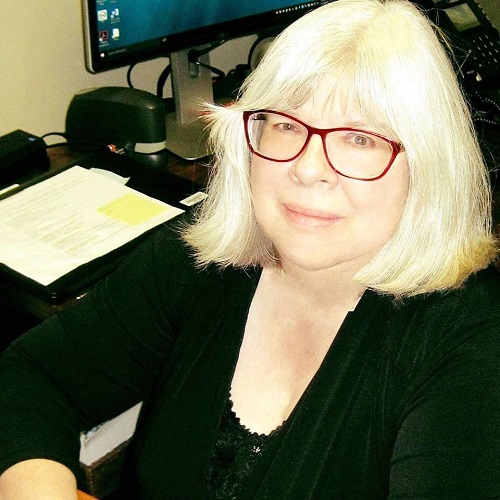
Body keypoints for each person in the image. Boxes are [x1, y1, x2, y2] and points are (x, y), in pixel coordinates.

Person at [1, 0, 500, 497]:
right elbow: (29, 377)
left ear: (428, 165)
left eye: (359, 138)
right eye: (285, 125)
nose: (307, 168)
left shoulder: (467, 345)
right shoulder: (200, 262)